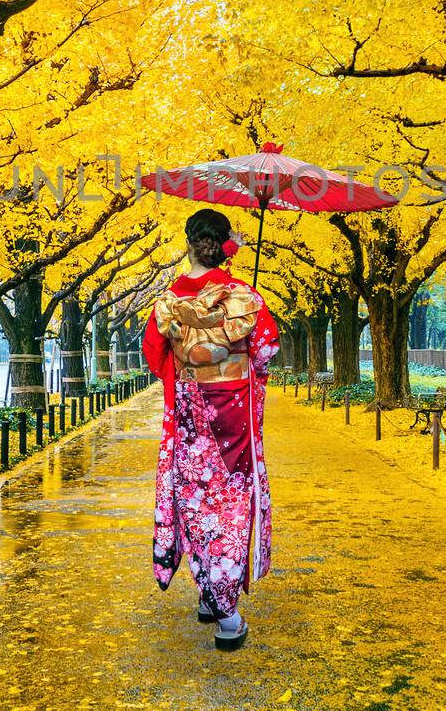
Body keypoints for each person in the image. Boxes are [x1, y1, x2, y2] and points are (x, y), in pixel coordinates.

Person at [142, 207, 280, 651]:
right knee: (229, 503)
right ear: (223, 247)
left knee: (194, 497)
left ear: (189, 243)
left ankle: (207, 591)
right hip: (232, 412)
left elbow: (153, 355)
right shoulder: (242, 295)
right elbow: (265, 350)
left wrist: (186, 364)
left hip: (187, 409)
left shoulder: (168, 299)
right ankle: (227, 614)